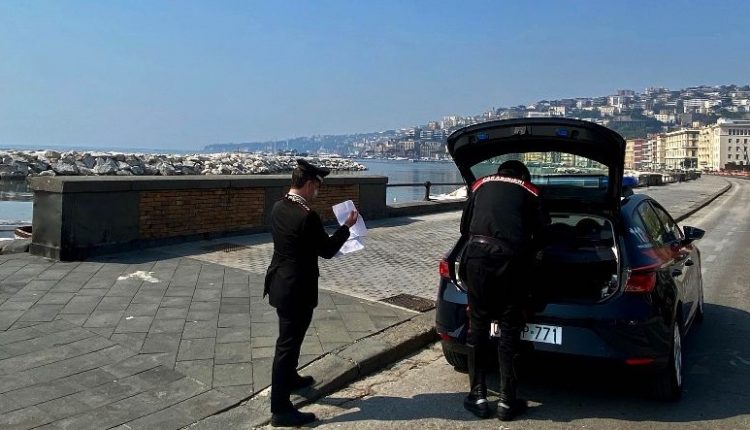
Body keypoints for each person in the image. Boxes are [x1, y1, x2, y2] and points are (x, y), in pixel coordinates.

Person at [264, 159, 358, 427]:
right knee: (286, 346)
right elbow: (327, 250)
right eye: (317, 186)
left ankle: (291, 378)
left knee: (291, 339)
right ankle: (280, 409)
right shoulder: (307, 215)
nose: (317, 191)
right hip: (297, 289)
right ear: (307, 184)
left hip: (280, 283)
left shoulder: (278, 206)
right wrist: (347, 227)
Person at [459, 159, 549, 421]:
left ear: (500, 173)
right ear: (523, 175)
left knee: (478, 325)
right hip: (510, 262)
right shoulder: (530, 191)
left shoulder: (480, 186)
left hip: (476, 260)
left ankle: (478, 396)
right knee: (509, 328)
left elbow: (464, 228)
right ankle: (507, 402)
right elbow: (543, 234)